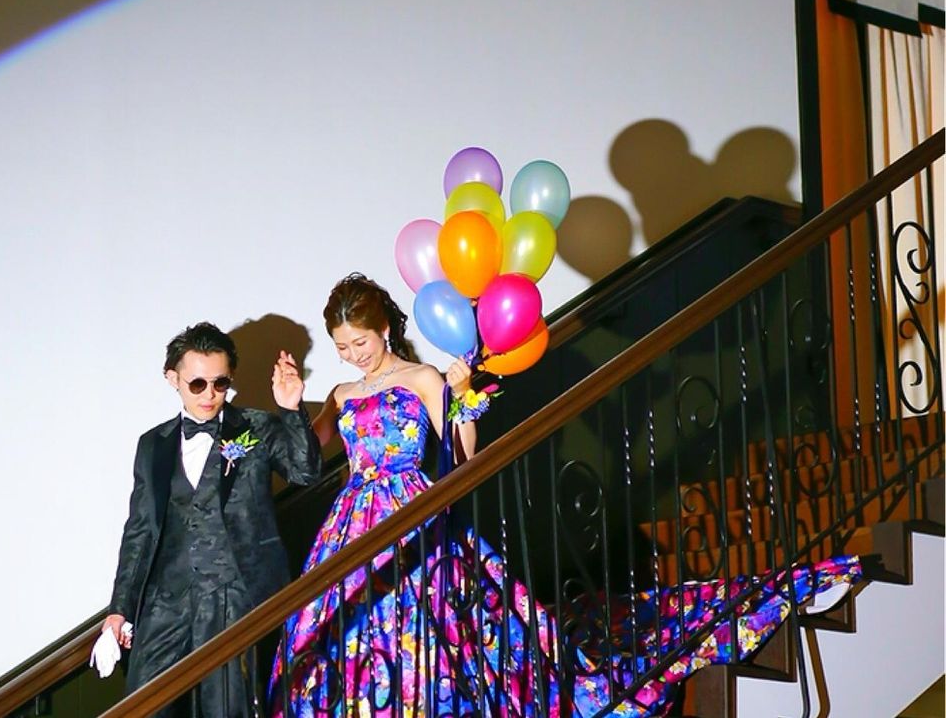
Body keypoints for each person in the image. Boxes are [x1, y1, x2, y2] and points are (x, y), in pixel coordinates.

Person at [268, 274, 862, 718]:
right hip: (352, 520)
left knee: (432, 622)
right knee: (346, 623)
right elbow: (302, 457)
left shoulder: (423, 378)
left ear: (384, 329)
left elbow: (463, 457)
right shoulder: (342, 395)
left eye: (359, 342)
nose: (352, 355)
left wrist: (463, 399)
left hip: (411, 509)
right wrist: (292, 406)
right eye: (342, 347)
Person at [102, 322, 324, 717]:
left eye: (220, 383)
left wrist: (291, 410)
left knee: (227, 708)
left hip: (235, 596)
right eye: (197, 384)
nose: (210, 394)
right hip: (165, 603)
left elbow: (305, 472)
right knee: (144, 705)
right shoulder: (153, 445)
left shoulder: (256, 427)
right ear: (173, 379)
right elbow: (139, 530)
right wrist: (119, 610)